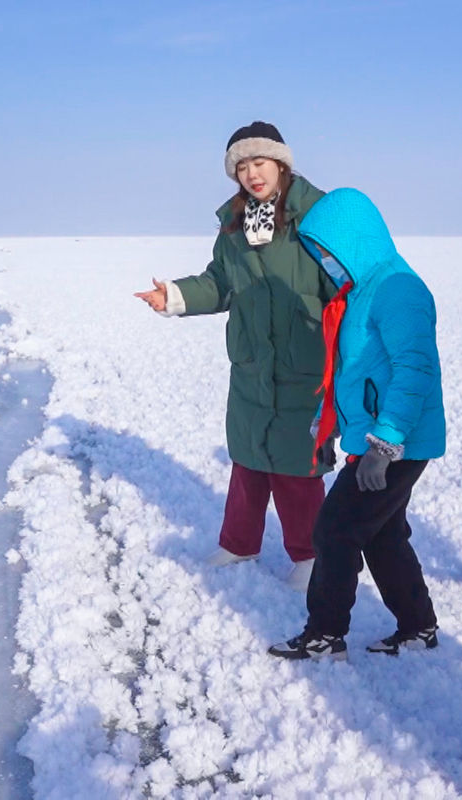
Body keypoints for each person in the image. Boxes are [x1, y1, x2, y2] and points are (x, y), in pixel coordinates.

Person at [135, 121, 334, 591]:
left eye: (258, 162)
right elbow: (221, 283)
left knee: (296, 466)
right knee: (248, 459)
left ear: (280, 162)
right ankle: (239, 543)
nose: (251, 174)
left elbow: (341, 287)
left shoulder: (318, 217)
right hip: (251, 361)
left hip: (303, 359)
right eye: (241, 167)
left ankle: (310, 555)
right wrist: (177, 296)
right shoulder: (234, 225)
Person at [266, 187, 445, 662]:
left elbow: (414, 369)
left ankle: (325, 633)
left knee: (335, 531)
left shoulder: (397, 289)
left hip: (398, 442)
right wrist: (331, 435)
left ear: (354, 241)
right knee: (383, 534)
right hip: (378, 439)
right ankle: (418, 627)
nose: (326, 263)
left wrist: (383, 445)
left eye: (328, 251)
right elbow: (355, 374)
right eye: (319, 255)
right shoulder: (363, 291)